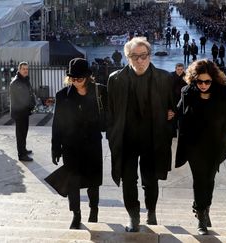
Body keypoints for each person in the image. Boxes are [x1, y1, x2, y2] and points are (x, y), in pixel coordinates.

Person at [107, 37, 175, 232]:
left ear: (149, 56)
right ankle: (133, 217)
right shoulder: (115, 79)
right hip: (126, 139)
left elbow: (173, 107)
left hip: (152, 138)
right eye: (134, 56)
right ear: (128, 57)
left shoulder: (164, 78)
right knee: (128, 180)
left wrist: (170, 119)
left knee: (150, 179)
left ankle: (151, 211)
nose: (139, 61)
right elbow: (110, 112)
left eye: (143, 56)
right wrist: (112, 135)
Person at [175, 59, 226, 235]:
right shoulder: (187, 91)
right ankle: (201, 217)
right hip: (194, 145)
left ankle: (205, 208)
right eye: (200, 81)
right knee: (199, 180)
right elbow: (179, 111)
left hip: (215, 144)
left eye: (207, 81)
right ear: (194, 79)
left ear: (213, 79)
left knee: (210, 179)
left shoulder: (224, 92)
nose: (203, 85)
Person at [51, 58, 107, 229]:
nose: (76, 82)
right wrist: (55, 147)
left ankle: (94, 210)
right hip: (70, 146)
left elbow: (114, 113)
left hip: (92, 144)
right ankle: (76, 214)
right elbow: (57, 123)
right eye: (72, 79)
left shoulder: (100, 92)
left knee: (93, 181)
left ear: (88, 77)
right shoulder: (62, 96)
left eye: (79, 79)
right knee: (72, 182)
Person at [9, 62, 36, 162]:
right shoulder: (16, 82)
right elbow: (22, 99)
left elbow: (30, 93)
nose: (26, 70)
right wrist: (31, 105)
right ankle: (21, 155)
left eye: (27, 69)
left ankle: (23, 149)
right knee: (20, 134)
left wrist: (33, 102)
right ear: (19, 70)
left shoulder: (25, 80)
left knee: (24, 132)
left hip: (25, 112)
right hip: (19, 113)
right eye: (24, 69)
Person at [171, 63, 186, 137]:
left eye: (181, 69)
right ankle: (173, 133)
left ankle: (181, 133)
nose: (180, 71)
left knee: (181, 117)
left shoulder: (186, 76)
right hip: (173, 99)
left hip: (183, 99)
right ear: (175, 69)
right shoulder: (171, 75)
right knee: (173, 117)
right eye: (178, 69)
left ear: (183, 69)